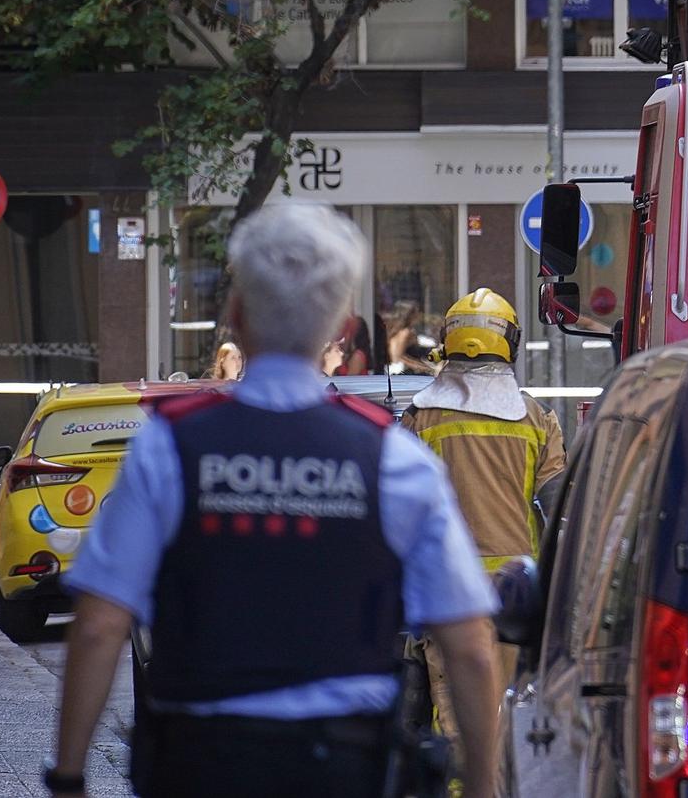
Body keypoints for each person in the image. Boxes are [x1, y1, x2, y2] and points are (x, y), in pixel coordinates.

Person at [49, 203, 500, 798]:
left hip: (202, 763)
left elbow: (99, 626)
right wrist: (487, 785)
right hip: (345, 766)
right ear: (342, 328)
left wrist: (68, 778)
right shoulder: (394, 461)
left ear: (235, 316)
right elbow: (468, 647)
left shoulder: (170, 448)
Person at [400, 287, 566, 745]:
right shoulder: (536, 418)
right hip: (517, 602)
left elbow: (398, 516)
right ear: (509, 343)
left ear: (448, 341)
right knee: (513, 728)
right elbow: (559, 511)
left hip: (446, 599)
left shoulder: (419, 419)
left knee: (458, 733)